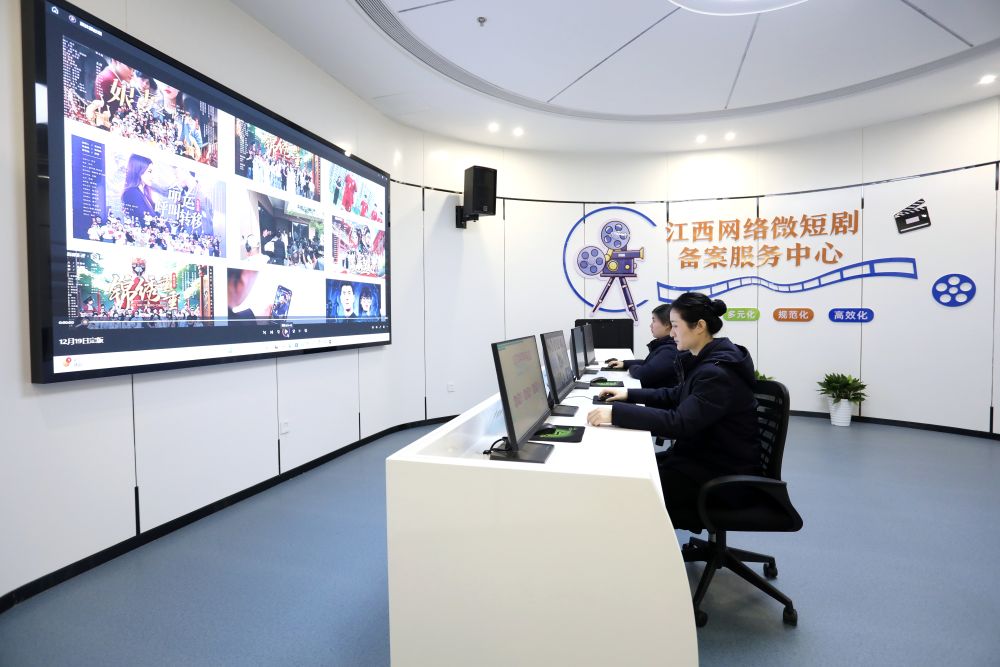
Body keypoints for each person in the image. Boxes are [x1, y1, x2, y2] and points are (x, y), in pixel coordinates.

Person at [587, 292, 759, 525]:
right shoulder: (709, 360)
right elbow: (676, 394)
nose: (672, 333)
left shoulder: (717, 372)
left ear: (699, 326)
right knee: (630, 469)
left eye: (676, 326)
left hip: (720, 476)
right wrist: (628, 395)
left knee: (627, 490)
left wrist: (616, 413)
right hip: (702, 458)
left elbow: (679, 423)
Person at [606, 303, 679, 388]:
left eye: (654, 321)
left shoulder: (670, 350)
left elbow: (643, 374)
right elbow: (648, 363)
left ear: (667, 324)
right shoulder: (665, 346)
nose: (650, 325)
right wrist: (624, 363)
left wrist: (631, 368)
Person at [121, 154, 157, 225]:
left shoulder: (144, 191)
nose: (153, 176)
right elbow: (145, 221)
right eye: (149, 171)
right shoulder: (132, 193)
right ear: (138, 171)